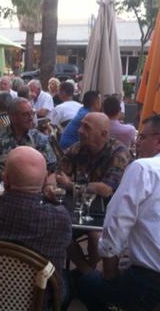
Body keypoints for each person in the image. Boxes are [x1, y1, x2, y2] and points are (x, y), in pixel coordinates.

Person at [75, 114, 160, 310]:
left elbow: (116, 223)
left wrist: (109, 274)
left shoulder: (144, 167)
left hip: (152, 290)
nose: (137, 143)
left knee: (84, 283)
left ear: (159, 140)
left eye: (142, 137)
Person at [0, 146, 72, 305]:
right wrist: (53, 200)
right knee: (66, 280)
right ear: (44, 180)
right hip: (37, 304)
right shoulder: (59, 218)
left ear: (5, 178)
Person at [57, 112, 131, 268]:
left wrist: (70, 185)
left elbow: (105, 189)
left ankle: (89, 273)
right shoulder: (78, 148)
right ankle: (86, 272)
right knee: (58, 231)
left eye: (87, 127)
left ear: (104, 134)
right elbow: (59, 173)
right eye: (81, 125)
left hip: (109, 212)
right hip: (79, 209)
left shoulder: (119, 153)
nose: (79, 131)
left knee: (95, 237)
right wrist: (51, 186)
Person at [0, 97, 56, 178]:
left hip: (35, 183)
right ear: (12, 116)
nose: (31, 118)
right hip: (4, 184)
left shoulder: (39, 138)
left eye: (32, 113)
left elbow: (51, 168)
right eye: (25, 114)